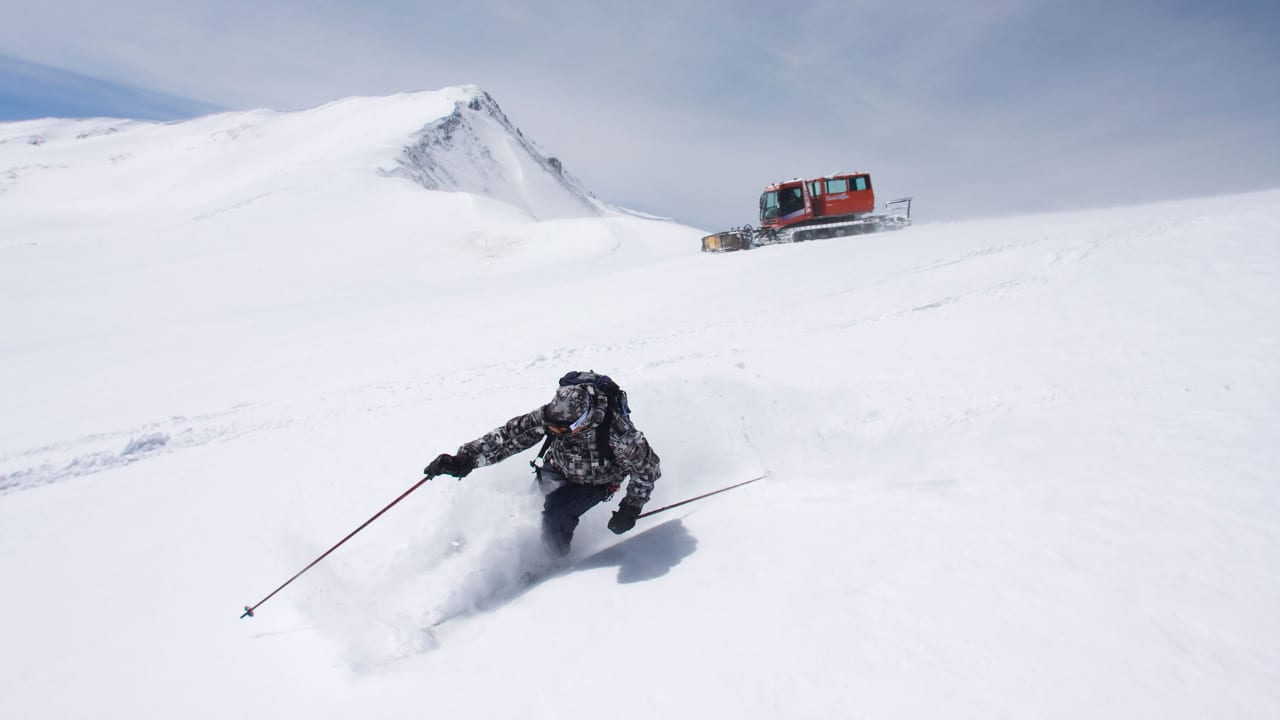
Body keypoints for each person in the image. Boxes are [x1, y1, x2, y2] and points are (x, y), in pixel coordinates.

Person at [424, 373, 661, 556]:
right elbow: (509, 437)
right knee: (527, 509)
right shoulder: (551, 416)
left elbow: (647, 469)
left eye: (561, 429)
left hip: (597, 481)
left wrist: (631, 508)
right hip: (557, 467)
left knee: (555, 515)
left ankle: (551, 561)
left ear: (583, 420)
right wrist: (465, 459)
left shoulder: (618, 433)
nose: (555, 431)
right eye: (553, 427)